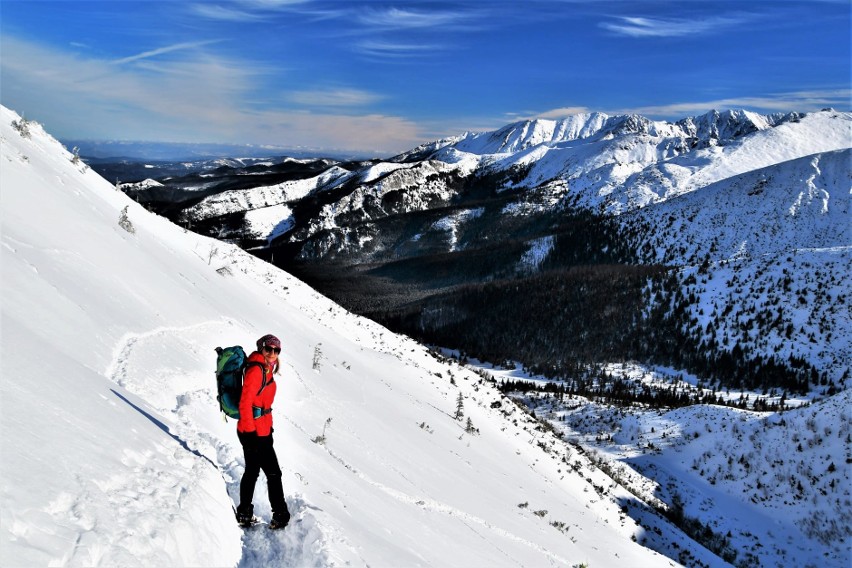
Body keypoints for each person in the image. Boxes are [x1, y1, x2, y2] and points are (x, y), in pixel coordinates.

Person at [235, 334, 291, 529]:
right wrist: (251, 433)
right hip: (255, 433)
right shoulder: (257, 370)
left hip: (259, 429)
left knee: (252, 471)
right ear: (261, 349)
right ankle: (281, 515)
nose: (273, 353)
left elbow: (262, 401)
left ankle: (244, 513)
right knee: (273, 473)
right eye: (269, 349)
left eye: (277, 350)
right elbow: (245, 402)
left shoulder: (265, 368)